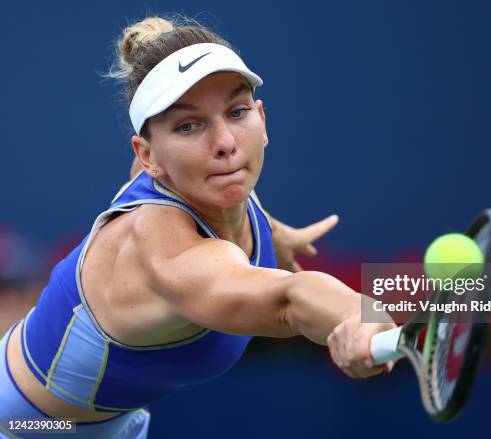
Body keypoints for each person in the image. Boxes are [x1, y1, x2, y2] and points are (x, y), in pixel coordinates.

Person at [0, 16, 395, 438]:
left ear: (262, 119)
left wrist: (277, 236)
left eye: (237, 111)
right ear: (148, 156)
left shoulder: (212, 183)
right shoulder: (173, 258)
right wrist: (360, 314)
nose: (225, 141)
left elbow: (246, 218)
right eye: (189, 125)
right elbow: (290, 300)